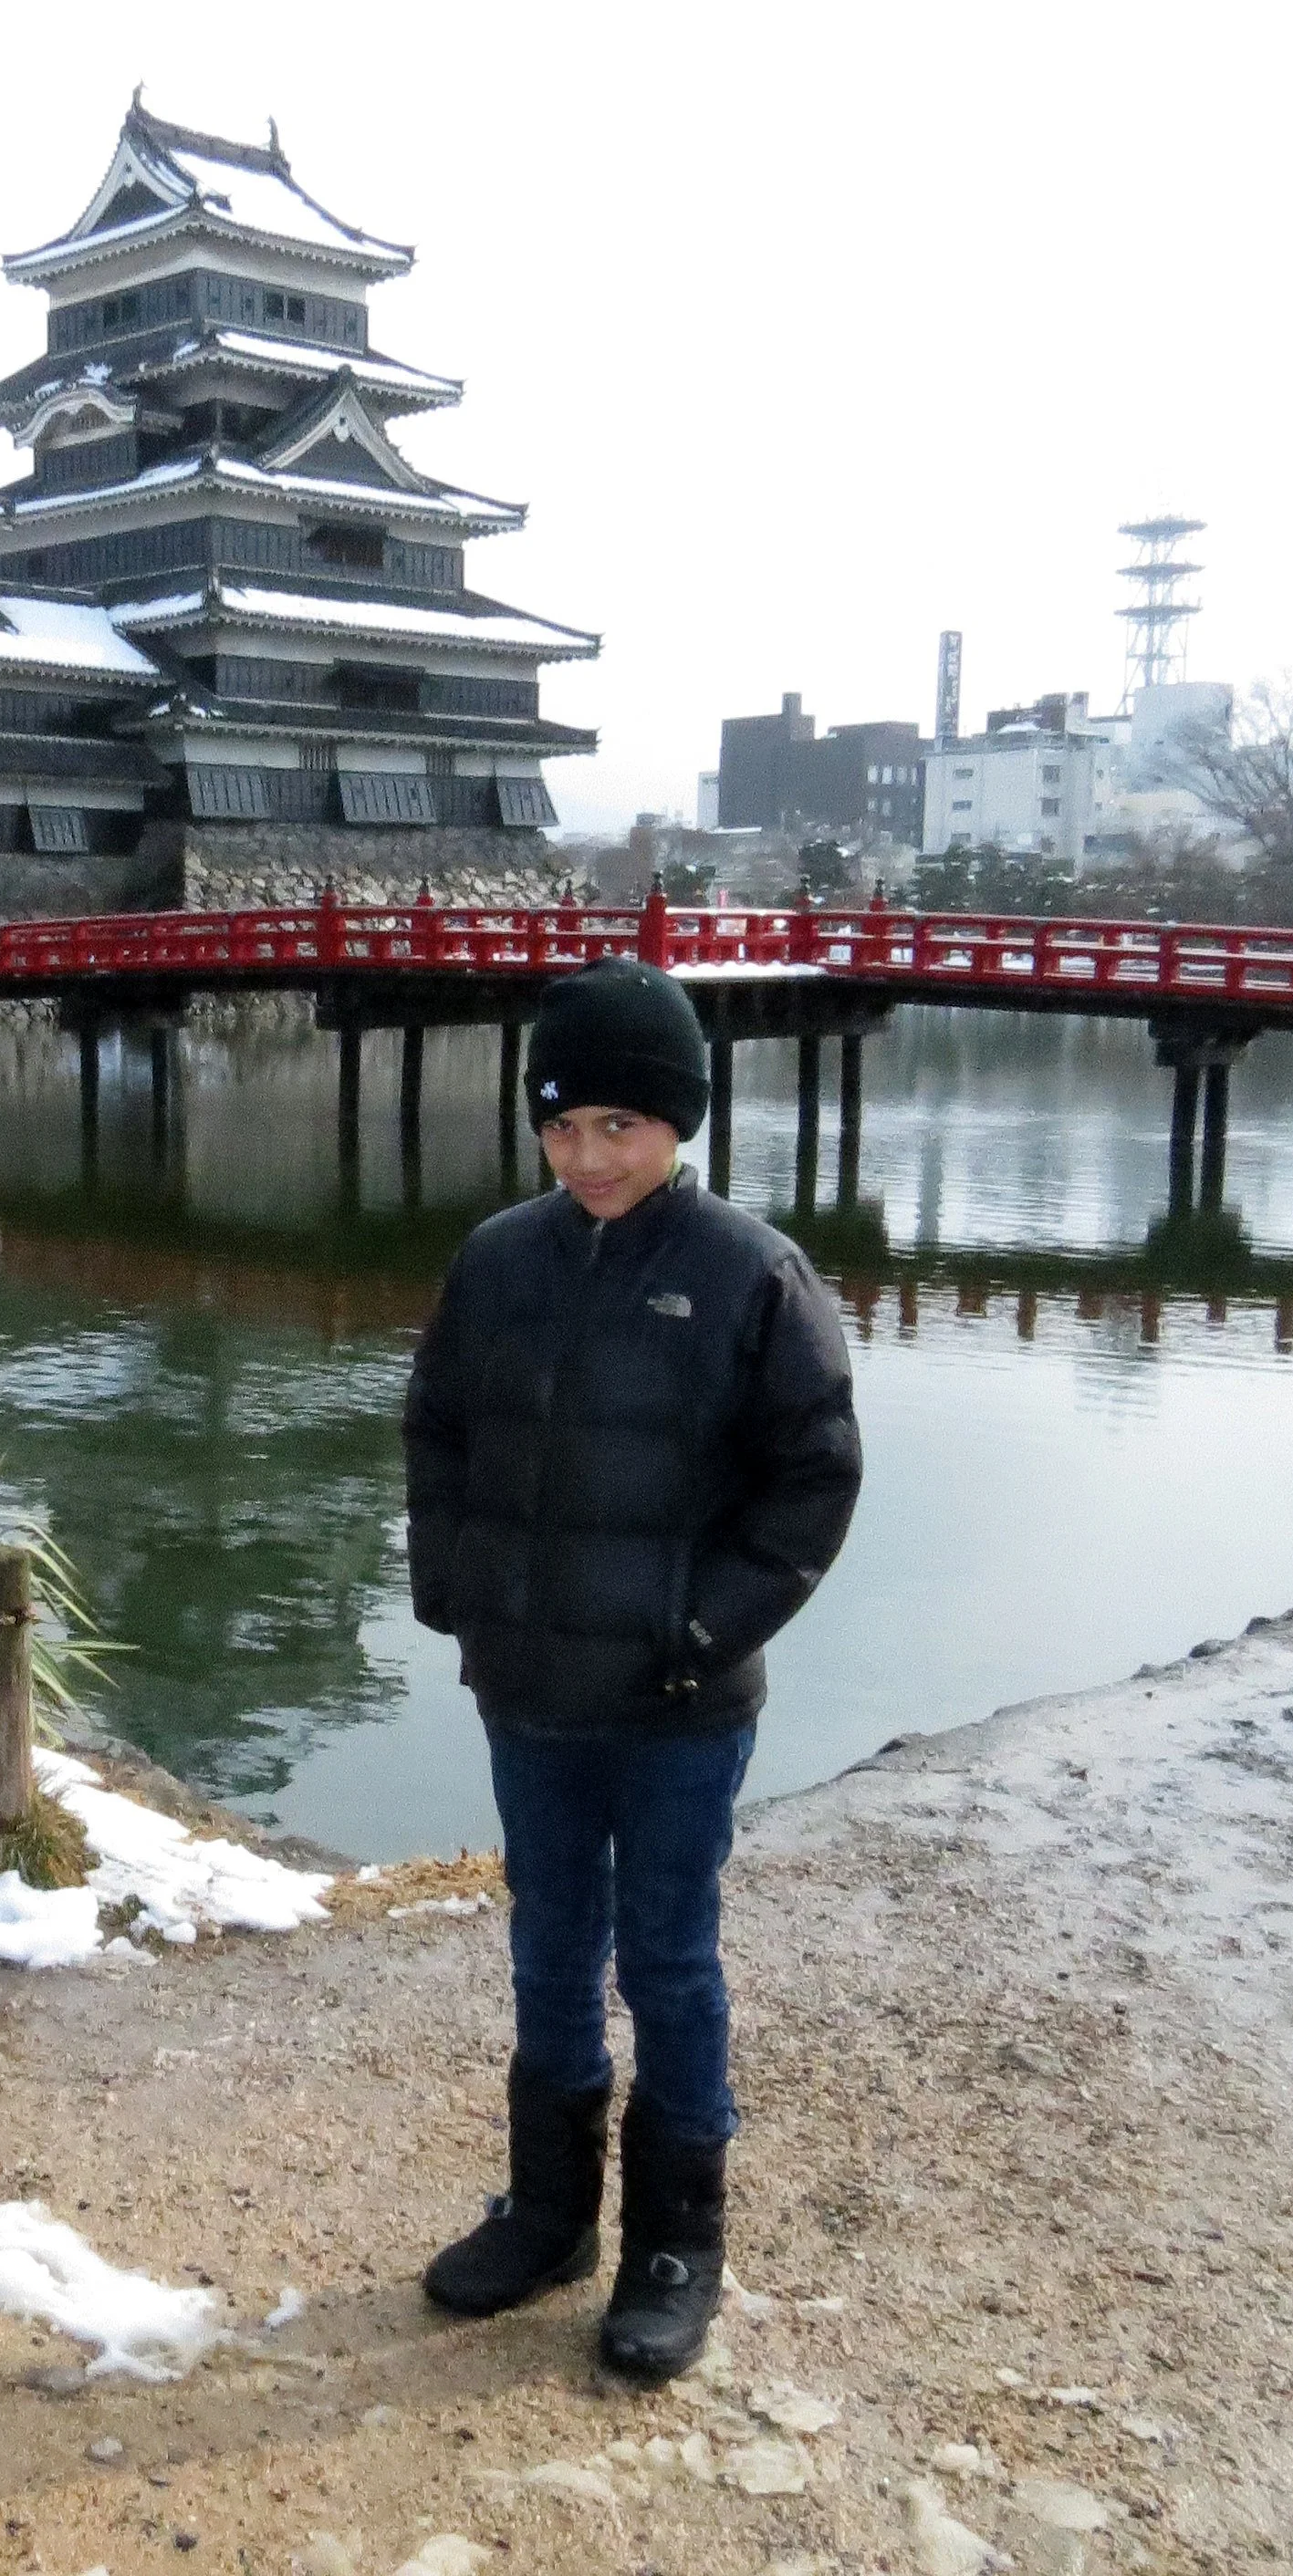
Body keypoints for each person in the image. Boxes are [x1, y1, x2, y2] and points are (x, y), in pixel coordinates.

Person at [403, 958, 862, 2381]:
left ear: (680, 1126)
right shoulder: (497, 1260)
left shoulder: (750, 1275)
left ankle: (677, 2240)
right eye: (562, 1126)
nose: (590, 1156)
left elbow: (814, 1483)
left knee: (666, 1956)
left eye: (621, 1125)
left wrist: (706, 1628)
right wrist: (459, 1596)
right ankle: (549, 2215)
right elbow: (438, 1437)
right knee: (548, 1945)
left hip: (678, 1706)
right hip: (532, 1689)